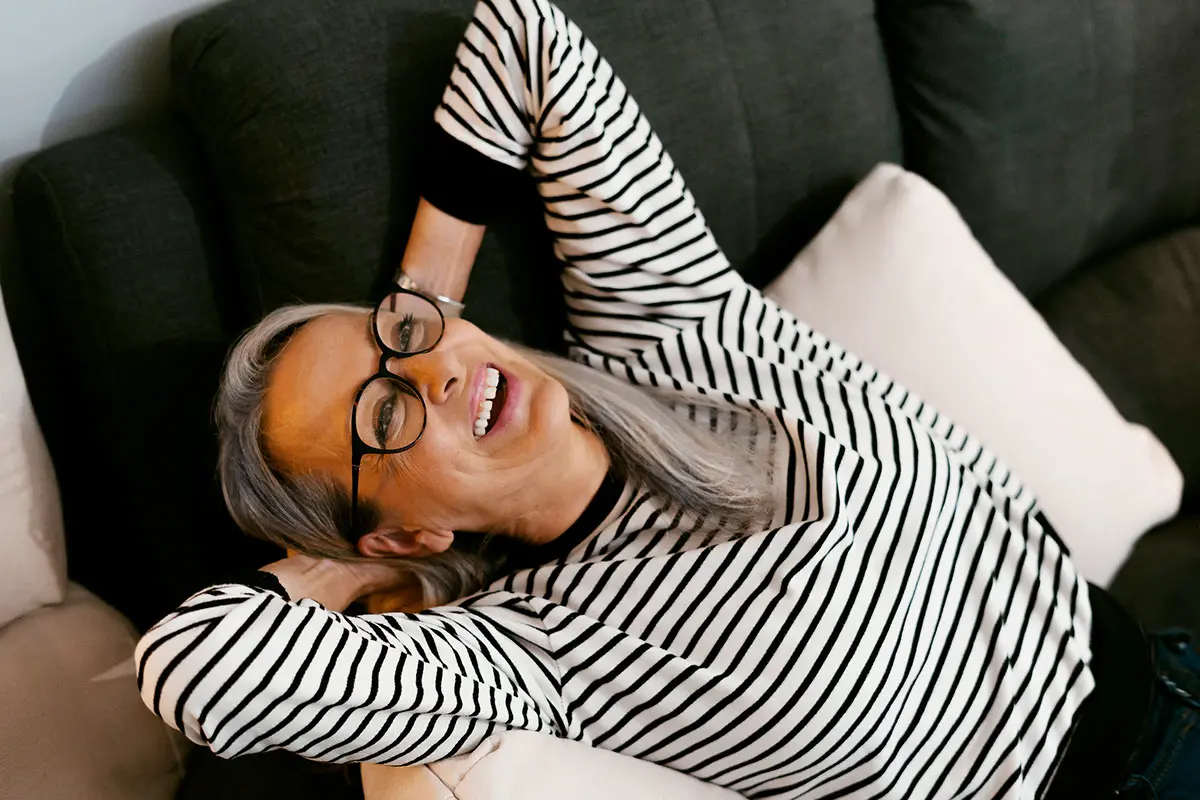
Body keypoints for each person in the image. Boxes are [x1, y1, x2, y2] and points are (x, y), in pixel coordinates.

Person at [136, 0, 1200, 797]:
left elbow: (524, 37)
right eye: (381, 413)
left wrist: (421, 297)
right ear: (407, 525)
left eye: (397, 343)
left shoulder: (671, 325)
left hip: (1168, 665)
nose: (435, 370)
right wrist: (343, 559)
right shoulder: (534, 651)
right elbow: (191, 669)